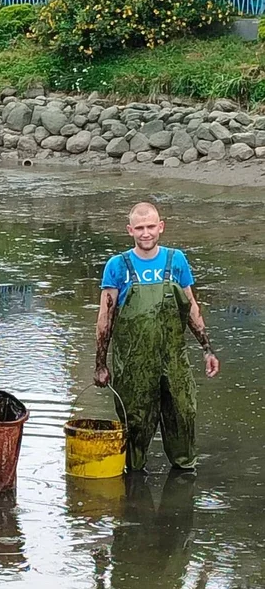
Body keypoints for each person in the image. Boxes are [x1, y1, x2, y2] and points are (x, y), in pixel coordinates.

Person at [94, 202, 220, 472]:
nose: (146, 233)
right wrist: (100, 364)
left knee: (183, 418)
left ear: (161, 227)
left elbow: (191, 307)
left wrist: (207, 349)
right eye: (139, 228)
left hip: (174, 361)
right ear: (130, 230)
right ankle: (133, 498)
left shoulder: (177, 261)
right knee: (135, 430)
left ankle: (183, 490)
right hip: (133, 365)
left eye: (151, 226)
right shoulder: (117, 266)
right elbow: (105, 318)